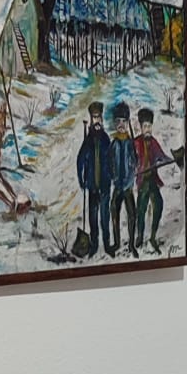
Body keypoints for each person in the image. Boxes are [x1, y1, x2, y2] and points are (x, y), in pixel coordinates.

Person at [133, 106, 174, 255]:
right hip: (142, 181)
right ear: (141, 127)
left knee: (159, 205)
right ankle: (139, 236)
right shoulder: (135, 143)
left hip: (152, 180)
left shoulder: (154, 142)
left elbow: (161, 156)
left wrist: (170, 159)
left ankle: (152, 237)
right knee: (141, 209)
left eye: (149, 126)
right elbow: (131, 161)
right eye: (145, 126)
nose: (148, 129)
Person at [76, 101, 113, 257]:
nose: (96, 121)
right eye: (94, 118)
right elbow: (80, 160)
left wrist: (112, 175)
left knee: (105, 217)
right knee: (93, 218)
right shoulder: (88, 140)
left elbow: (111, 159)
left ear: (102, 119)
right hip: (92, 186)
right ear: (91, 120)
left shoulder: (106, 139)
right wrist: (81, 179)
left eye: (98, 118)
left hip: (104, 186)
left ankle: (107, 244)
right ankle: (94, 245)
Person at [109, 100, 137, 257]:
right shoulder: (113, 144)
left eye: (124, 121)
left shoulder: (130, 143)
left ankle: (131, 244)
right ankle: (117, 243)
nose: (121, 124)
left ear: (128, 123)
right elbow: (109, 162)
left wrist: (132, 173)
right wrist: (112, 175)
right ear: (114, 123)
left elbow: (135, 161)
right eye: (118, 121)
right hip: (117, 186)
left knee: (132, 214)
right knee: (114, 210)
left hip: (128, 186)